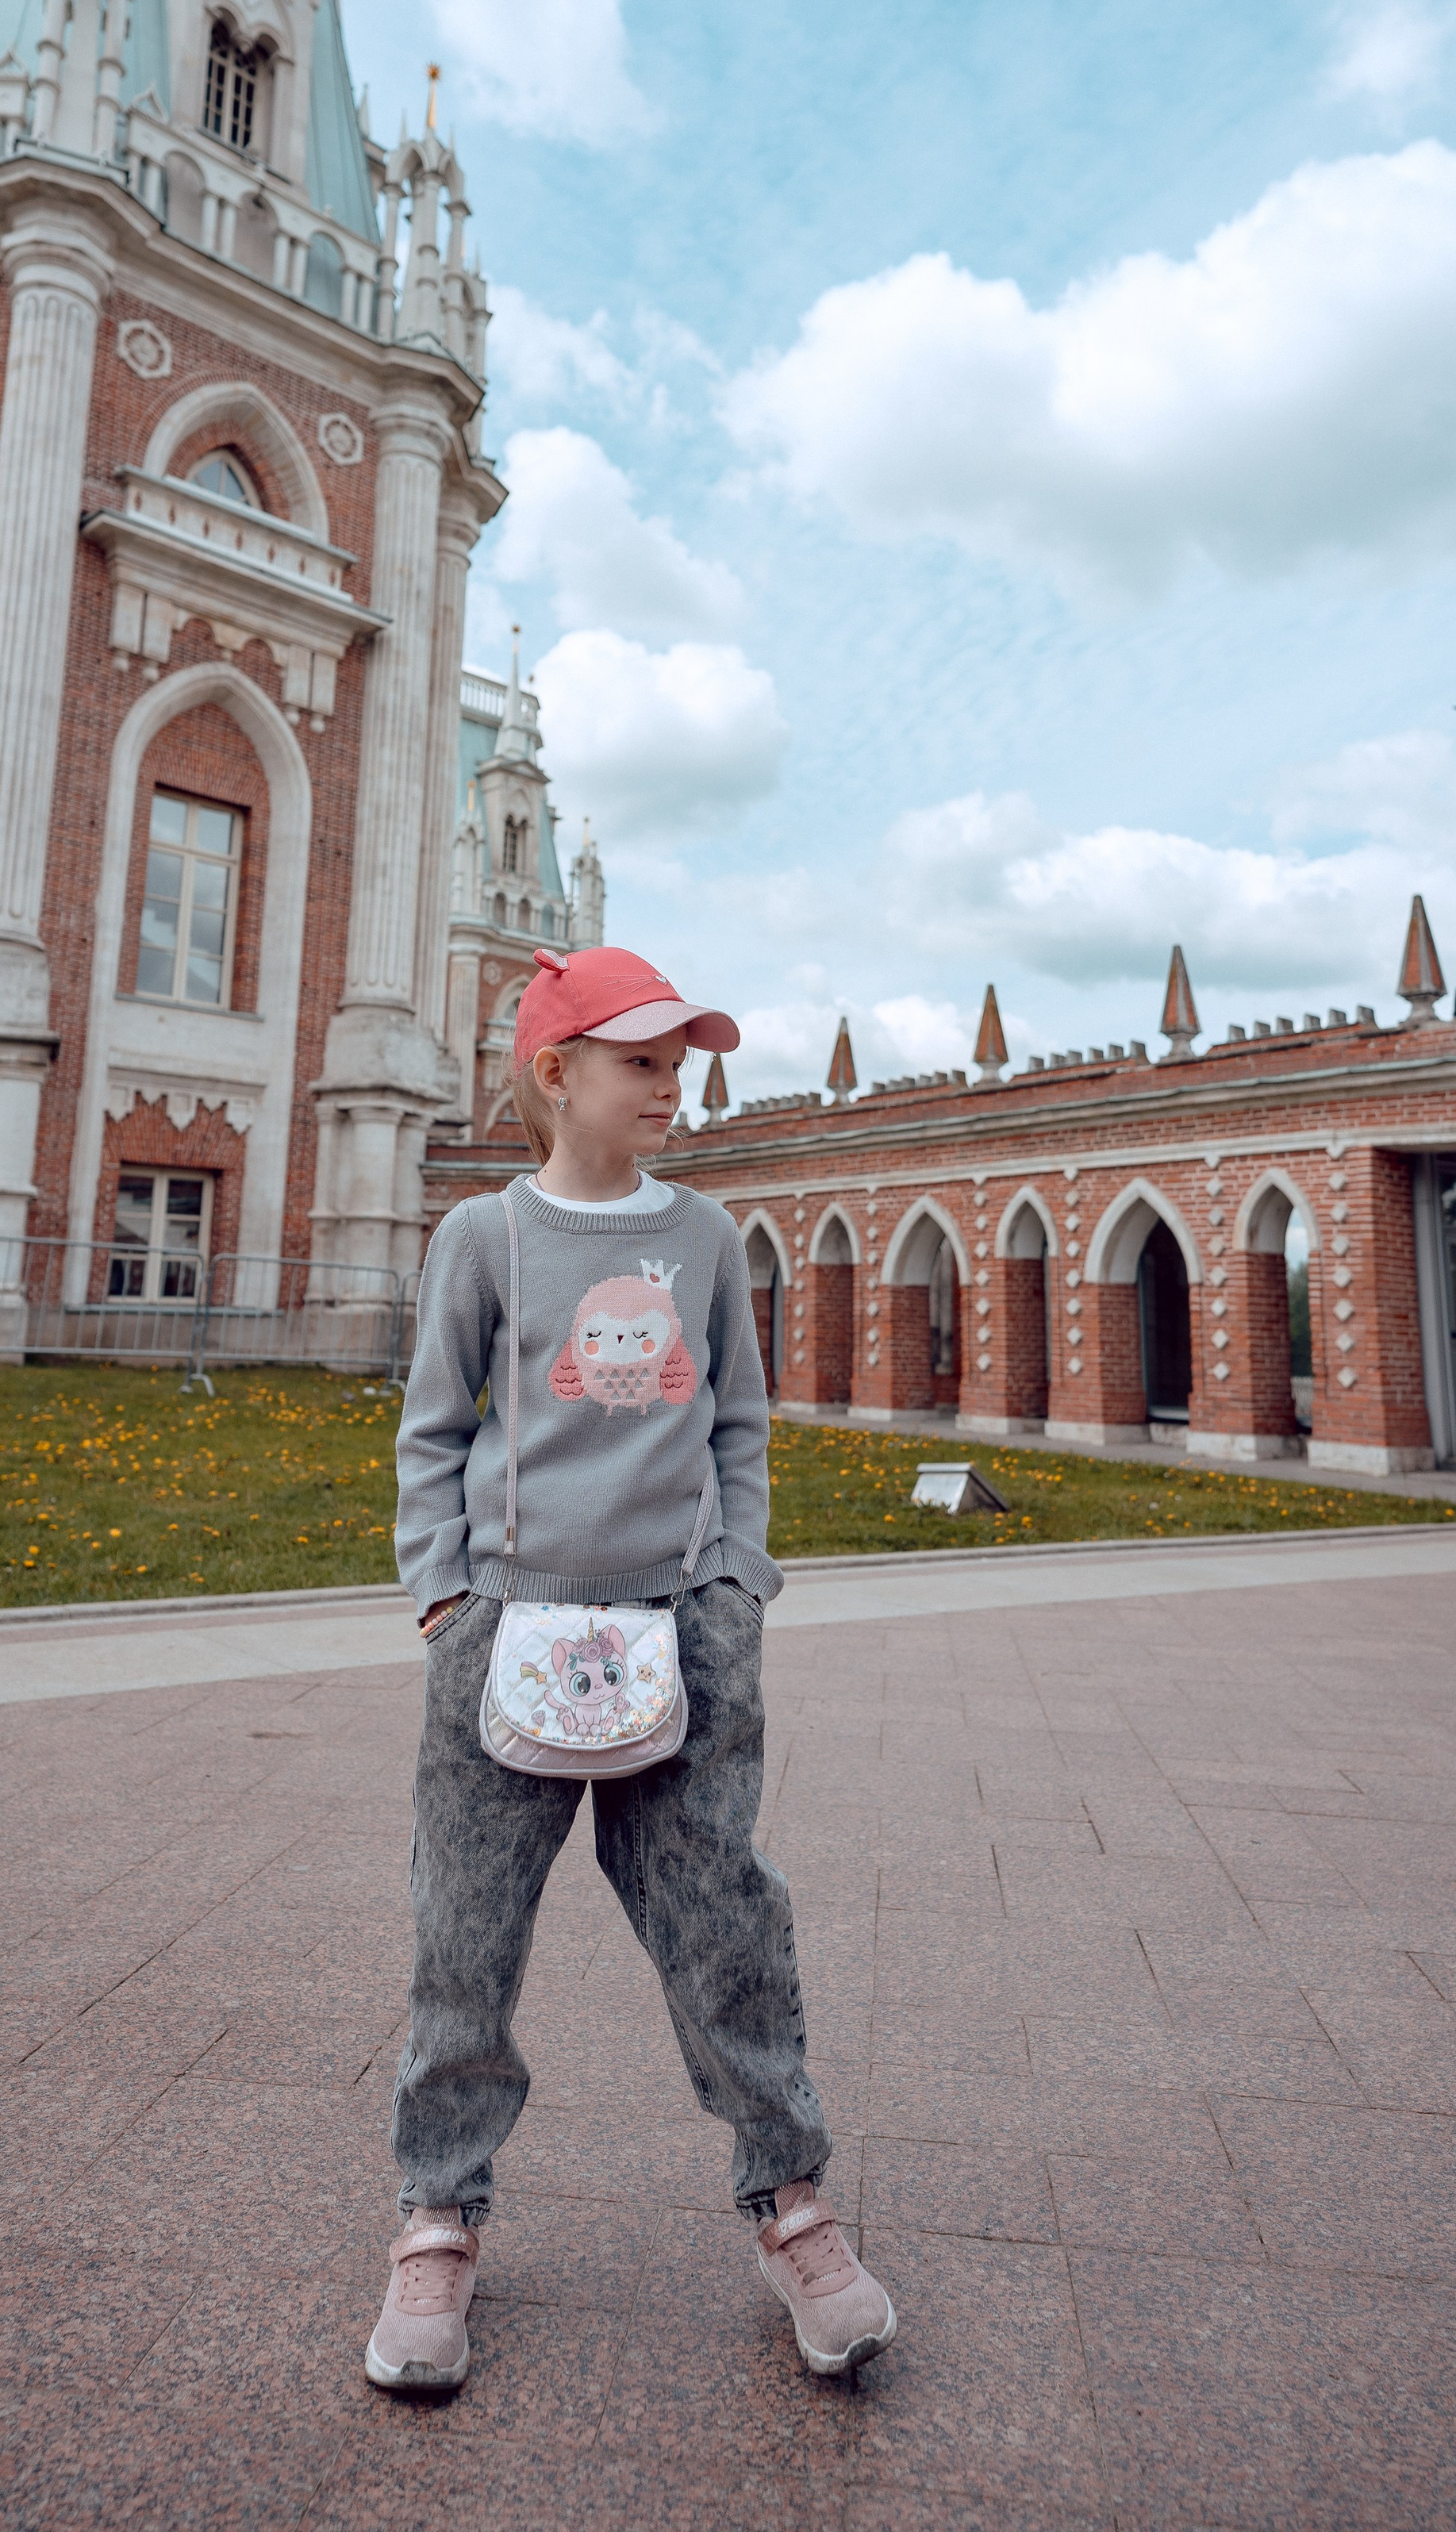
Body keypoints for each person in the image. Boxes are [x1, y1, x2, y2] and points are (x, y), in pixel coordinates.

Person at [366, 943, 896, 2392]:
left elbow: (738, 1422)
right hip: (505, 1632)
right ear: (559, 1074)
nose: (674, 1087)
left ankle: (794, 2205)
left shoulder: (706, 1239)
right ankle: (437, 2223)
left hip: (682, 1623)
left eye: (682, 1063)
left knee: (724, 1924)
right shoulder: (484, 1238)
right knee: (465, 1936)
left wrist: (734, 1581)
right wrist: (444, 1599)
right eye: (642, 1062)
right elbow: (432, 1430)